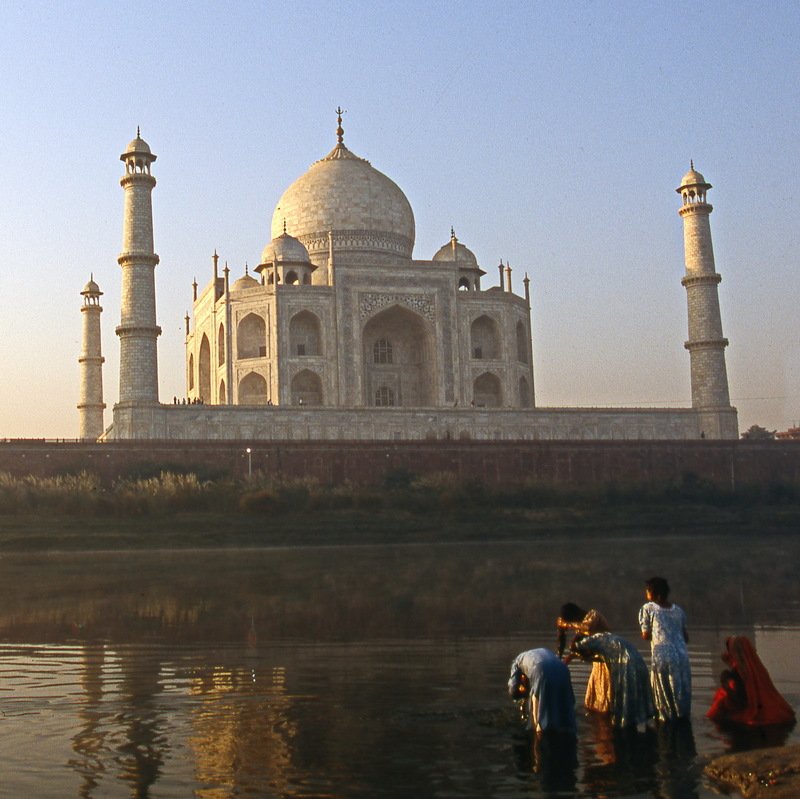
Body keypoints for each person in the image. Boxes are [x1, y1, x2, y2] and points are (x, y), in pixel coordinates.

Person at [707, 636, 796, 727]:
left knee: (719, 700)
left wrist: (725, 681)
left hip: (750, 713)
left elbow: (740, 699)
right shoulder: (757, 668)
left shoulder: (740, 672)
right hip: (772, 709)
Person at [570, 632, 653, 728]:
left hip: (626, 666)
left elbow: (574, 646)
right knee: (637, 702)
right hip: (640, 664)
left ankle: (622, 731)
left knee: (623, 704)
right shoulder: (605, 639)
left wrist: (567, 633)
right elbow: (595, 657)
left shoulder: (590, 641)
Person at [639, 576, 691, 721]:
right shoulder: (678, 611)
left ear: (652, 592)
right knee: (680, 690)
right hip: (682, 656)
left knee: (663, 692)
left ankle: (665, 721)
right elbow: (686, 638)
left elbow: (645, 635)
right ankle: (682, 718)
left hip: (663, 655)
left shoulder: (648, 608)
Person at [557, 603, 612, 713]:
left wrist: (567, 625)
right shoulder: (580, 627)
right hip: (597, 664)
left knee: (607, 702)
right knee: (592, 703)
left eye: (572, 620)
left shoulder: (593, 615)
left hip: (608, 662)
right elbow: (574, 646)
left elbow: (587, 627)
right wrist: (563, 660)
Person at [508, 648, 576, 734]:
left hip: (540, 670)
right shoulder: (541, 652)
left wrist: (523, 694)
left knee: (537, 723)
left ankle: (538, 743)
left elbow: (513, 690)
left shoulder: (517, 663)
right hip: (563, 669)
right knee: (565, 711)